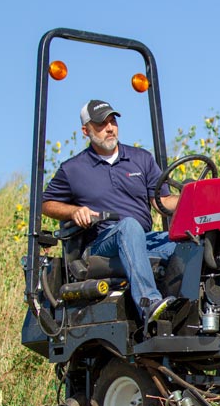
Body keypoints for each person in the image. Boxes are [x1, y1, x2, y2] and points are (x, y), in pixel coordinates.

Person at [42, 99, 178, 322]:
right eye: (101, 124)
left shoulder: (140, 158)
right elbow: (46, 204)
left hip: (144, 238)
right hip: (102, 244)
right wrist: (74, 211)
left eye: (112, 121)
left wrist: (190, 199)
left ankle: (198, 312)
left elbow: (161, 201)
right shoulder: (72, 169)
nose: (109, 128)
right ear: (86, 130)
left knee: (189, 243)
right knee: (128, 226)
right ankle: (149, 303)